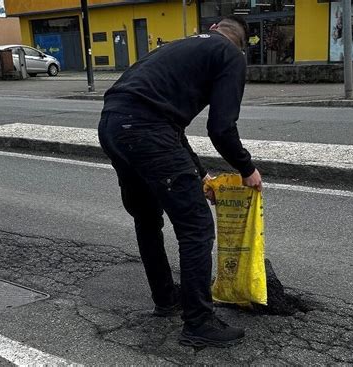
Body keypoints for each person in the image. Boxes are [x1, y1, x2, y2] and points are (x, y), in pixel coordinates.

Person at [97, 15, 262, 348]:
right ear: (240, 42)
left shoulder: (177, 47)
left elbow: (170, 125)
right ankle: (199, 323)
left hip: (112, 125)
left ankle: (166, 298)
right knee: (196, 227)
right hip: (146, 130)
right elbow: (221, 128)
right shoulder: (230, 54)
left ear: (214, 27)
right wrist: (247, 169)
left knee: (147, 220)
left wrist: (200, 174)